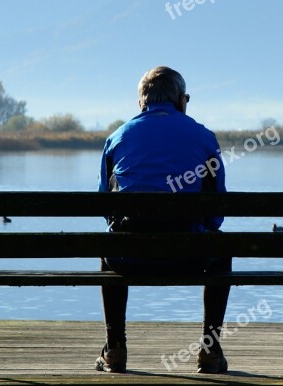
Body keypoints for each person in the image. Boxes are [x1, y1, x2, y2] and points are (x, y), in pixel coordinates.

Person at [96, 66, 231, 374]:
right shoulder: (203, 137)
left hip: (128, 257)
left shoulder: (117, 138)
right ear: (181, 100)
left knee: (108, 247)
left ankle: (115, 349)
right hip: (190, 257)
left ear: (141, 103)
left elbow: (106, 206)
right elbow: (216, 212)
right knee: (223, 249)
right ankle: (210, 351)